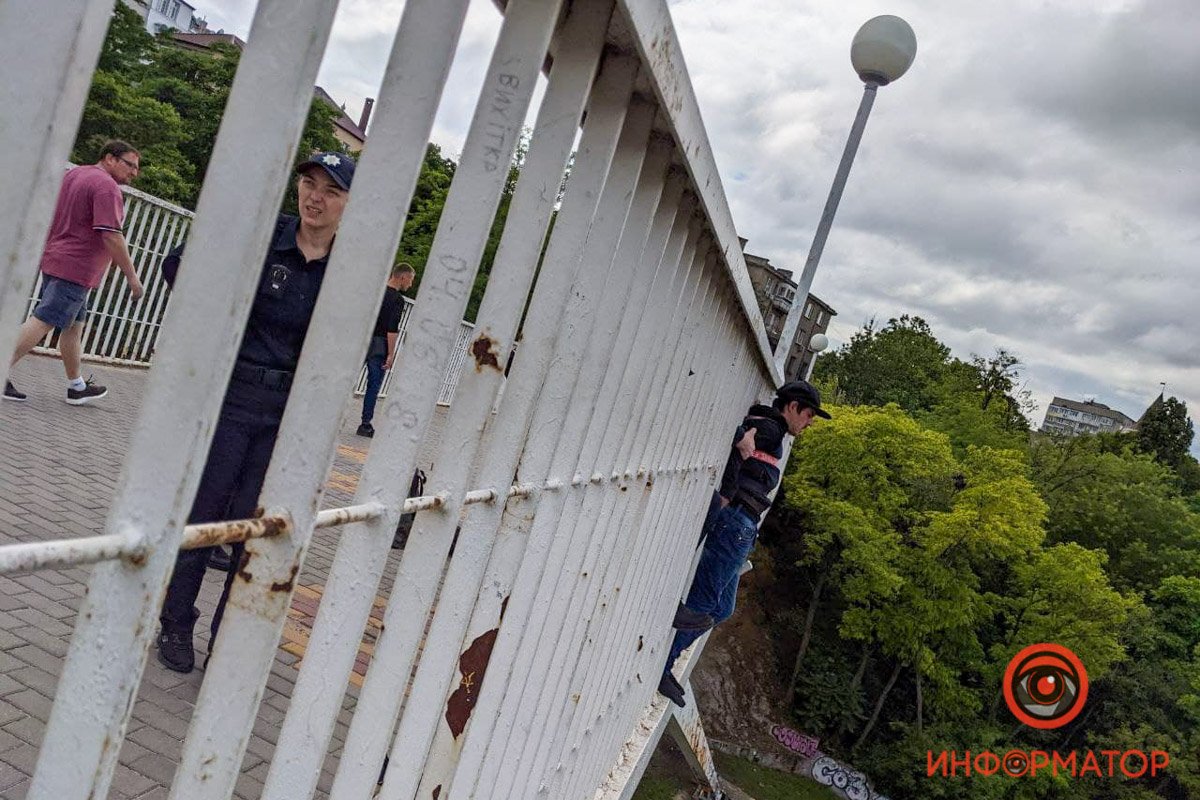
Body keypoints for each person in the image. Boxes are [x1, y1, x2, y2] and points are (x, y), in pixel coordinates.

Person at [155, 151, 355, 673]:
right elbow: (177, 264)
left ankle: (228, 638)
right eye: (309, 184)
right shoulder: (265, 237)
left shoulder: (354, 264)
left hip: (291, 411)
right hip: (235, 396)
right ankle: (176, 623)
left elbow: (374, 320)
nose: (316, 197)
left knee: (254, 526)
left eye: (331, 191)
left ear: (350, 205)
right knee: (205, 515)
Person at [658, 380, 830, 707]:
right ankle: (661, 666)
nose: (809, 422)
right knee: (705, 602)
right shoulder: (769, 429)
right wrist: (740, 438)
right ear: (792, 407)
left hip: (744, 525)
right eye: (808, 414)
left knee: (722, 608)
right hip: (736, 521)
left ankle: (668, 661)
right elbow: (737, 431)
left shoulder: (773, 431)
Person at [4, 141, 145, 403]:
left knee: (73, 327)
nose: (134, 172)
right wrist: (132, 276)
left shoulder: (76, 174)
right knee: (44, 320)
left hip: (58, 258)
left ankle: (76, 386)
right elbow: (112, 235)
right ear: (110, 158)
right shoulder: (106, 187)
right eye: (130, 165)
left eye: (137, 168)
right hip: (76, 267)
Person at [357, 262, 414, 437]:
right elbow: (392, 328)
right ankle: (365, 424)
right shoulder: (397, 300)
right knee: (373, 384)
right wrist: (391, 353)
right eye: (410, 280)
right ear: (402, 277)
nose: (410, 284)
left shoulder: (376, 291)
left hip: (361, 339)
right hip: (379, 344)